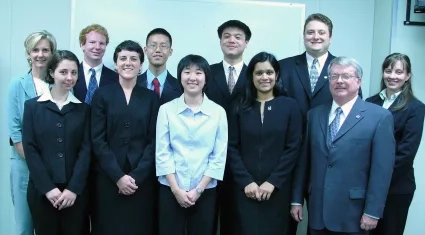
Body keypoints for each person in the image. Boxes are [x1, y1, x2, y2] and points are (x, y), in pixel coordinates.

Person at [291, 57, 395, 235]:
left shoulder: (379, 117)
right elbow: (304, 162)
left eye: (346, 76)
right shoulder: (314, 115)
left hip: (353, 214)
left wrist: (372, 211)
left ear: (358, 81)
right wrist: (296, 199)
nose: (339, 81)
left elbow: (382, 171)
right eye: (334, 76)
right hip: (317, 212)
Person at [280, 13, 361, 235]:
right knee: (285, 223)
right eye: (310, 32)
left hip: (327, 162)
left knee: (324, 225)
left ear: (330, 37)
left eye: (321, 32)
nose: (315, 36)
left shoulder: (344, 71)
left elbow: (354, 113)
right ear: (304, 36)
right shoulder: (283, 68)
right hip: (289, 158)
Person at [228, 52, 302, 235]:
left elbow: (293, 148)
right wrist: (246, 181)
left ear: (276, 75)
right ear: (251, 76)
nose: (264, 77)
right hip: (244, 189)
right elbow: (231, 147)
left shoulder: (290, 106)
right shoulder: (239, 106)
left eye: (269, 72)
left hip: (278, 190)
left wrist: (273, 182)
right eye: (259, 73)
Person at [90, 40, 159, 235]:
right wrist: (118, 176)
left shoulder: (151, 98)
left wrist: (136, 176)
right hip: (109, 178)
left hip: (141, 180)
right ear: (115, 63)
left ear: (140, 65)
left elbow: (154, 141)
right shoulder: (102, 95)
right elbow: (97, 139)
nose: (128, 63)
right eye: (123, 58)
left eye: (134, 59)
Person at [156, 54, 227, 235]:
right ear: (180, 77)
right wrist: (176, 190)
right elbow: (163, 152)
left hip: (205, 191)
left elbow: (218, 157)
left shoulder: (218, 112)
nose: (192, 77)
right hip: (170, 189)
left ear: (206, 78)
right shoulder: (166, 110)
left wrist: (198, 190)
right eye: (187, 72)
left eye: (198, 72)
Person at [22, 50, 91, 235]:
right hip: (42, 192)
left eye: (74, 72)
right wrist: (48, 188)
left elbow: (86, 151)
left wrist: (73, 189)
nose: (69, 77)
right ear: (52, 73)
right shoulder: (32, 107)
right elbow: (30, 149)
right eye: (63, 72)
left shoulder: (83, 109)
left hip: (75, 193)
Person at [366, 53, 425, 235]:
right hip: (366, 185)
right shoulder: (369, 102)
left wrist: (377, 181)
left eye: (399, 72)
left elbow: (406, 154)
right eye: (388, 70)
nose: (392, 76)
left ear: (407, 76)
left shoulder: (416, 107)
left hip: (396, 187)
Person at [7, 30, 57, 235]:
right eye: (35, 50)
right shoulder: (17, 85)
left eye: (46, 50)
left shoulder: (59, 83)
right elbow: (15, 133)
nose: (41, 54)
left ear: (52, 53)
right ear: (28, 53)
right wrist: (39, 167)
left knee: (49, 228)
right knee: (25, 229)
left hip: (55, 171)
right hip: (25, 170)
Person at [205, 19, 251, 235]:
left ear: (246, 42)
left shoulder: (256, 76)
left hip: (244, 160)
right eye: (227, 36)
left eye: (238, 37)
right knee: (205, 219)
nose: (232, 40)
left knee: (238, 221)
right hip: (207, 158)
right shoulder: (205, 73)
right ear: (220, 41)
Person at [73, 24, 118, 104]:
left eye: (101, 43)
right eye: (92, 42)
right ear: (82, 45)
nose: (97, 47)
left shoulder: (116, 78)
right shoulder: (71, 74)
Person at [137, 28, 182, 104]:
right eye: (153, 45)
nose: (158, 50)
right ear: (145, 50)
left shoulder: (180, 87)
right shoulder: (134, 83)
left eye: (163, 46)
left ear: (170, 52)